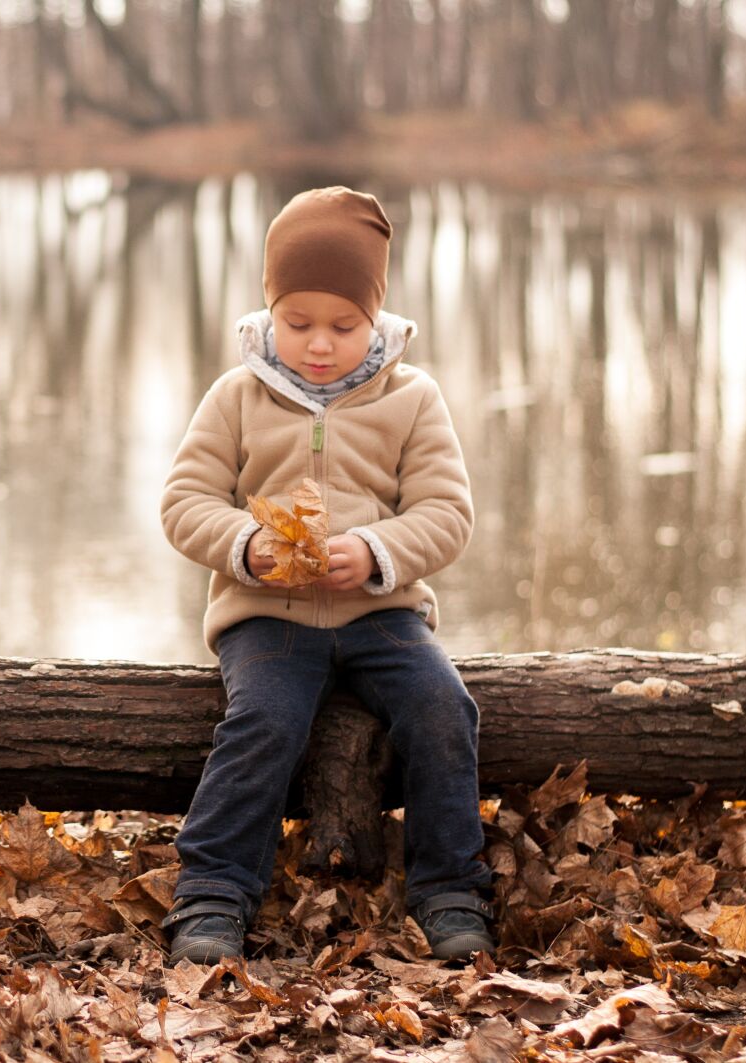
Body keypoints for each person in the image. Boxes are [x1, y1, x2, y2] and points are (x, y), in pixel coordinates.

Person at [159, 186, 494, 964]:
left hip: (383, 613)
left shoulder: (412, 398)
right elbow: (184, 502)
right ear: (269, 310)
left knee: (444, 707)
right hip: (265, 614)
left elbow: (447, 513)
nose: (318, 343)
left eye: (343, 325)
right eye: (297, 321)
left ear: (375, 316)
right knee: (263, 722)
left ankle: (450, 887)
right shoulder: (238, 396)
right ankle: (211, 892)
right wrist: (247, 544)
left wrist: (377, 552)